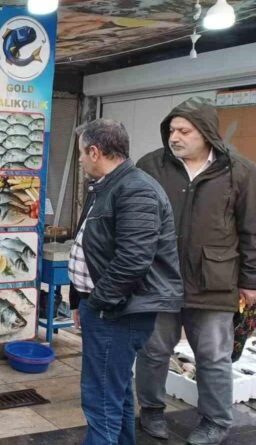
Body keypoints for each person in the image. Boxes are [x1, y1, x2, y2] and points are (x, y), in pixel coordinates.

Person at [135, 97, 256, 445]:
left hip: (214, 282)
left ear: (205, 133)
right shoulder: (151, 166)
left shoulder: (240, 172)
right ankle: (152, 411)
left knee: (214, 357)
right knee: (153, 351)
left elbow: (251, 230)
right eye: (172, 130)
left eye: (184, 131)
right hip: (160, 279)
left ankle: (216, 420)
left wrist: (250, 281)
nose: (175, 137)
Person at [68, 119, 183, 445]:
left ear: (94, 151)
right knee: (113, 391)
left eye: (80, 153)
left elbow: (133, 260)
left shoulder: (136, 189)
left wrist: (100, 303)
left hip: (119, 312)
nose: (79, 160)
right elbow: (91, 246)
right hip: (105, 308)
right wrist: (81, 300)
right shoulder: (108, 185)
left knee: (100, 397)